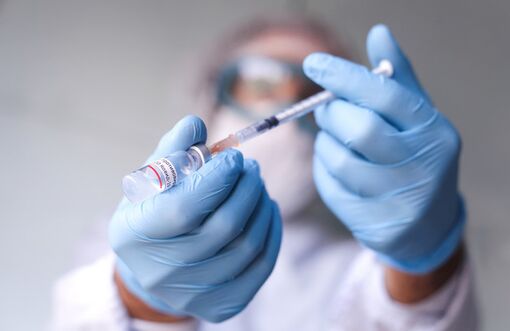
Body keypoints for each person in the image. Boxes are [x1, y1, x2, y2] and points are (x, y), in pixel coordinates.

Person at [51, 15, 479, 331]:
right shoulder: (134, 234)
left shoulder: (354, 267)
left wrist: (425, 258)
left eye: (310, 96)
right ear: (208, 95)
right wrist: (142, 299)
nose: (282, 112)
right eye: (260, 84)